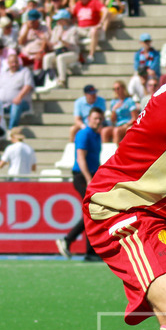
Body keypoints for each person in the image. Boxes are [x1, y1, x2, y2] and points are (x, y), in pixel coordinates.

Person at [58, 108, 103, 261]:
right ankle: (77, 245)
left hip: (91, 176)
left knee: (92, 212)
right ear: (88, 118)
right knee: (92, 212)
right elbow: (80, 158)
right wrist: (89, 178)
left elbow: (94, 159)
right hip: (82, 177)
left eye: (99, 119)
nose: (97, 121)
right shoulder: (84, 134)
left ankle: (85, 250)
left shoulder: (96, 135)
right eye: (95, 118)